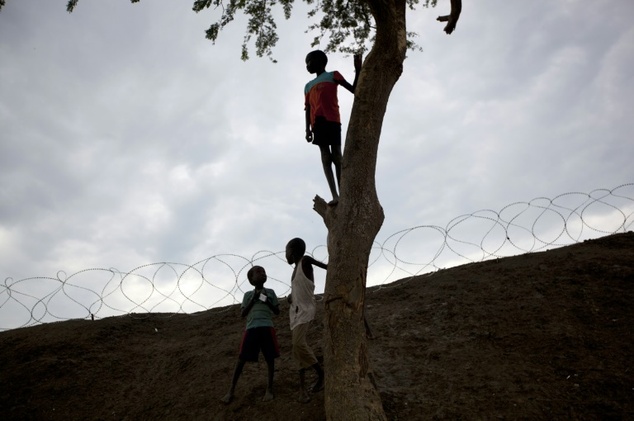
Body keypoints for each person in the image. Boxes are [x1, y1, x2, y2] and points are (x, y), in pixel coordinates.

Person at [304, 50, 362, 205]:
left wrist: (358, 70)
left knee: (337, 155)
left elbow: (354, 89)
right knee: (325, 156)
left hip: (333, 119)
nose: (307, 66)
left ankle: (343, 192)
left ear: (319, 61)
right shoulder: (308, 86)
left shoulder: (333, 75)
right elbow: (308, 108)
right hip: (317, 123)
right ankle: (335, 195)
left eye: (309, 61)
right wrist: (307, 129)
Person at [221, 265, 280, 404]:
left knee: (270, 358)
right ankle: (231, 390)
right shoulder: (247, 295)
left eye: (264, 272)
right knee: (241, 359)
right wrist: (253, 299)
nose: (263, 274)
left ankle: (269, 389)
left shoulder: (270, 292)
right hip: (252, 328)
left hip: (267, 327)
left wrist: (267, 301)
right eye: (259, 272)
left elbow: (277, 311)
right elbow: (243, 314)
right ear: (251, 280)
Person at [285, 237, 327, 403]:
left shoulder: (305, 261)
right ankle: (302, 389)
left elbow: (326, 267)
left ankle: (321, 373)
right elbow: (299, 289)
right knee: (297, 351)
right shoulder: (294, 271)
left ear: (293, 251)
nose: (285, 255)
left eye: (286, 251)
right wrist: (291, 297)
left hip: (305, 311)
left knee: (298, 344)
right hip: (295, 313)